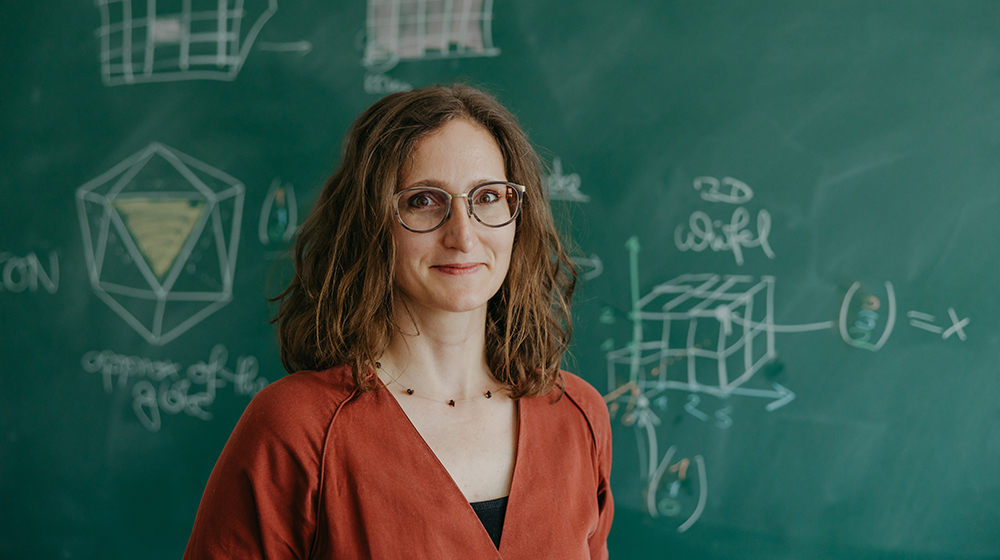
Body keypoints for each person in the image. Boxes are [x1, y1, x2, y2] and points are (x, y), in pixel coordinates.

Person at [183, 84, 613, 559]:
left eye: (488, 196)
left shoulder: (578, 417)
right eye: (423, 201)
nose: (463, 236)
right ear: (372, 221)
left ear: (517, 214)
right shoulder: (295, 428)